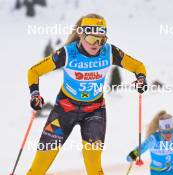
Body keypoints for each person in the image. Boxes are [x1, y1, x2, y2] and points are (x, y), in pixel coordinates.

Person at [27, 13, 147, 175]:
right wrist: (35, 94)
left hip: (94, 111)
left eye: (101, 39)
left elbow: (138, 66)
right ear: (81, 34)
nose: (97, 44)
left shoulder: (110, 52)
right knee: (38, 167)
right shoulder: (67, 54)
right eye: (92, 39)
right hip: (64, 110)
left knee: (94, 167)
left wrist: (141, 79)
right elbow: (34, 71)